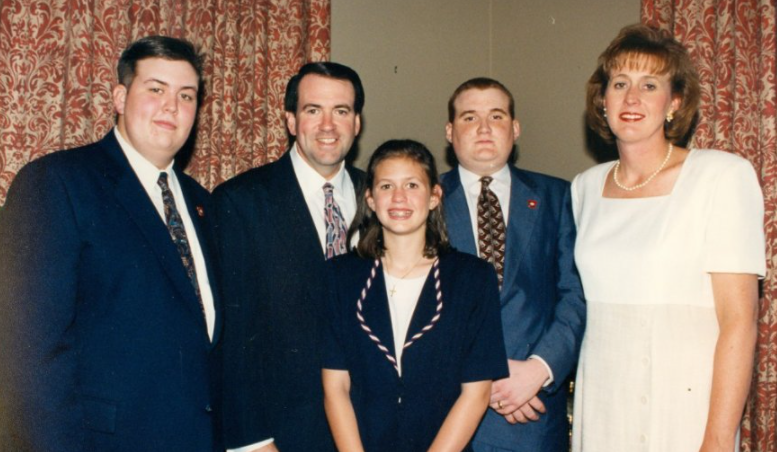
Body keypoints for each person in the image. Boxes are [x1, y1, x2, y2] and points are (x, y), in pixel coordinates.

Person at [0, 36, 221, 451]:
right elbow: (29, 353)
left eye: (186, 95)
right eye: (156, 89)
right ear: (120, 97)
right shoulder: (58, 183)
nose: (172, 106)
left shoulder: (204, 204)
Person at [571, 24, 765, 452]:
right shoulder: (584, 186)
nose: (632, 98)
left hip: (686, 409)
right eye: (619, 83)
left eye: (650, 84)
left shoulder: (721, 176)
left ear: (674, 102)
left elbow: (739, 321)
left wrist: (716, 439)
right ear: (602, 101)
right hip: (603, 402)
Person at [213, 62, 365, 452]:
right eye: (313, 110)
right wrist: (252, 442)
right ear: (291, 121)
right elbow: (231, 337)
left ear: (358, 123)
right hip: (284, 435)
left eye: (341, 111)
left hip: (376, 431)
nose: (328, 125)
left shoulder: (384, 198)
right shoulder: (241, 202)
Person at [322, 139, 508, 452]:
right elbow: (335, 387)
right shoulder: (340, 276)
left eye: (411, 185)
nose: (398, 198)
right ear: (370, 198)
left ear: (434, 196)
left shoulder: (473, 278)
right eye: (385, 186)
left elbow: (476, 394)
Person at [441, 77, 586, 452]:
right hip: (443, 413)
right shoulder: (424, 200)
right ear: (450, 132)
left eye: (497, 116)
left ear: (515, 128)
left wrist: (538, 370)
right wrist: (476, 381)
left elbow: (576, 294)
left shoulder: (558, 197)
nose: (484, 128)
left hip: (532, 412)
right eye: (469, 118)